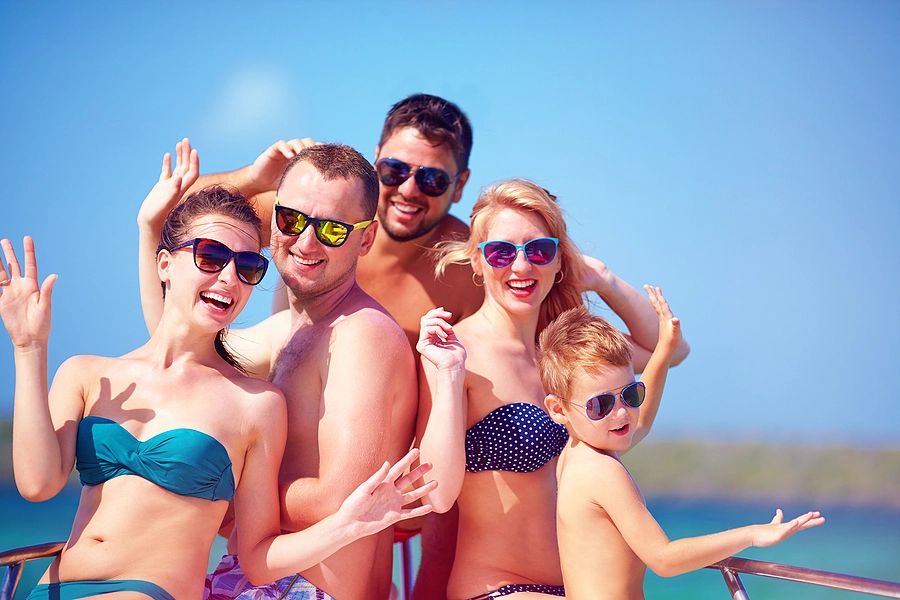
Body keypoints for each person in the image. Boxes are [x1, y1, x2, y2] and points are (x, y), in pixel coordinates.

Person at [0, 179, 435, 600]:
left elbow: (258, 559)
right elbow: (37, 485)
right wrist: (28, 348)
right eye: (210, 256)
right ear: (164, 264)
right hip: (54, 586)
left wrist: (348, 523)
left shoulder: (255, 404)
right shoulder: (85, 373)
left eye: (247, 267)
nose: (229, 277)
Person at [136, 142, 420, 600]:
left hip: (307, 589)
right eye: (291, 220)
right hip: (260, 577)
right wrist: (150, 230)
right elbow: (177, 347)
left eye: (332, 230)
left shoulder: (361, 335)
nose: (306, 242)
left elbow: (339, 499)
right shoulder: (293, 330)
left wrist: (231, 491)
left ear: (366, 239)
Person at [414, 179, 691, 599]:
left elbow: (669, 350)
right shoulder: (455, 352)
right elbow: (437, 493)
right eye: (501, 252)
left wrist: (602, 279)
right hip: (498, 588)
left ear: (559, 260)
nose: (521, 266)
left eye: (539, 250)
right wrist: (450, 374)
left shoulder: (564, 353)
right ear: (477, 260)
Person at [539, 303, 825, 599]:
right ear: (558, 410)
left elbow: (641, 422)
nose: (622, 414)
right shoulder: (601, 471)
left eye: (630, 394)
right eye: (601, 405)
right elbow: (663, 558)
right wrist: (752, 534)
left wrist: (664, 349)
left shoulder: (576, 453)